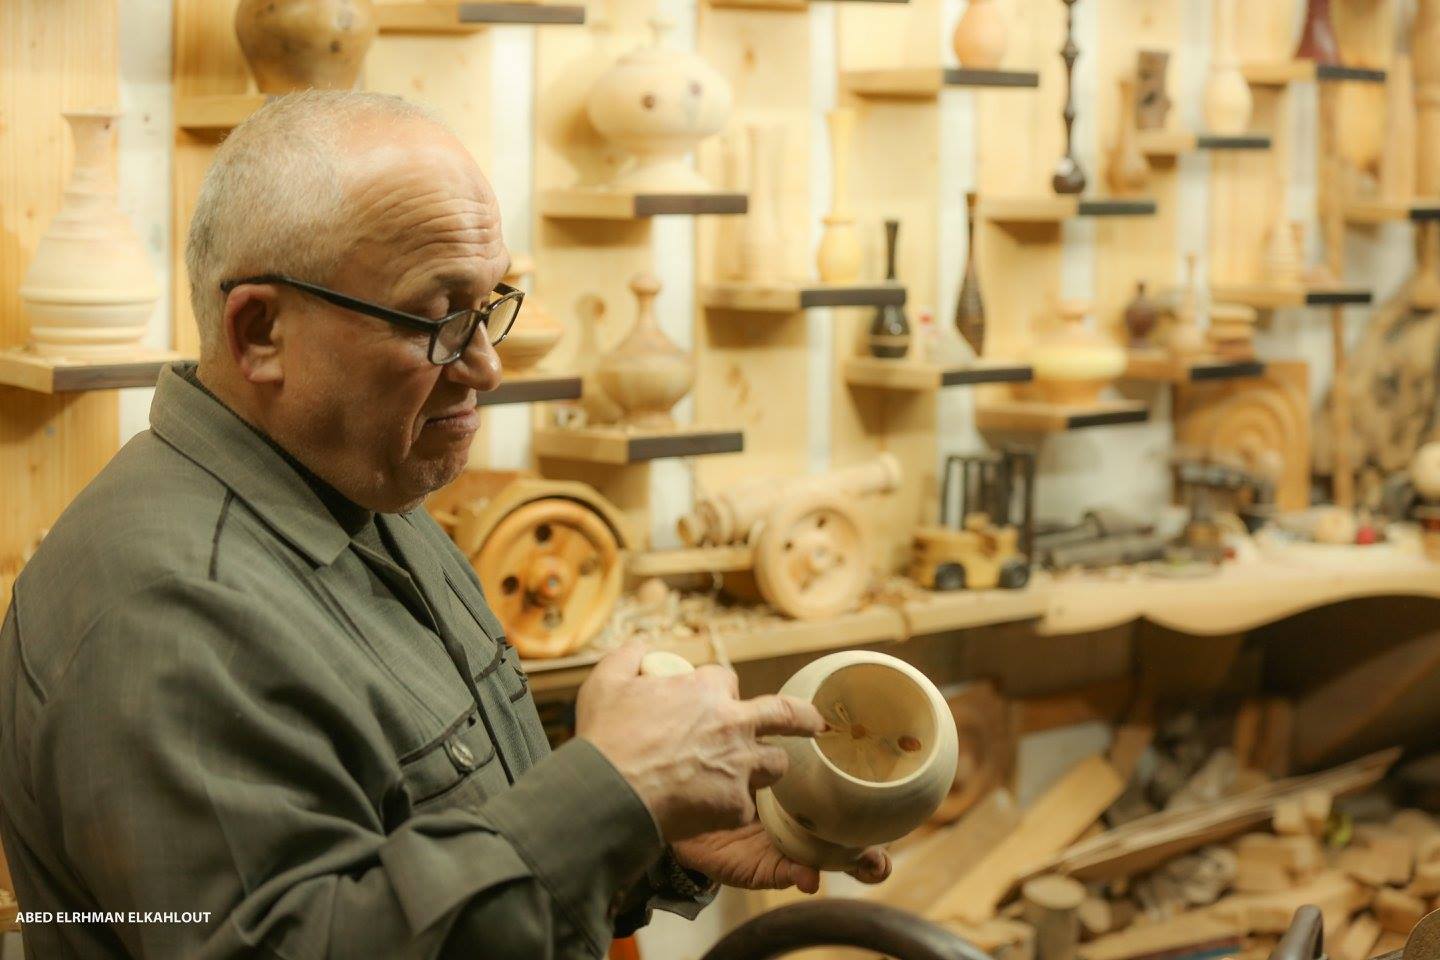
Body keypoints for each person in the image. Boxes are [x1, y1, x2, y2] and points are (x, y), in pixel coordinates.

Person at [0, 91, 889, 959]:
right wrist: (613, 790)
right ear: (261, 331)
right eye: (437, 318)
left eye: (490, 303)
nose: (488, 365)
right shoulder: (170, 613)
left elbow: (441, 858)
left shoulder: (368, 490)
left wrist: (642, 832)